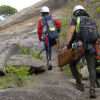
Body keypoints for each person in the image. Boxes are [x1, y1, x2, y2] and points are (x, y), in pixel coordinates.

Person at [63, 5, 99, 98]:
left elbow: (71, 32)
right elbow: (97, 36)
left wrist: (66, 45)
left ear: (75, 12)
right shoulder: (91, 20)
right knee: (92, 68)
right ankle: (92, 89)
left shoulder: (75, 19)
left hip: (80, 47)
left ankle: (79, 84)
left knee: (72, 64)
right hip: (91, 48)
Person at [37, 6, 61, 70]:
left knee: (48, 49)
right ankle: (61, 63)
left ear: (41, 13)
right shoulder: (51, 19)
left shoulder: (40, 21)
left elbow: (39, 30)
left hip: (46, 38)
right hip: (52, 36)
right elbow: (59, 24)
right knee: (51, 48)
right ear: (48, 12)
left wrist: (40, 38)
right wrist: (56, 29)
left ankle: (49, 61)